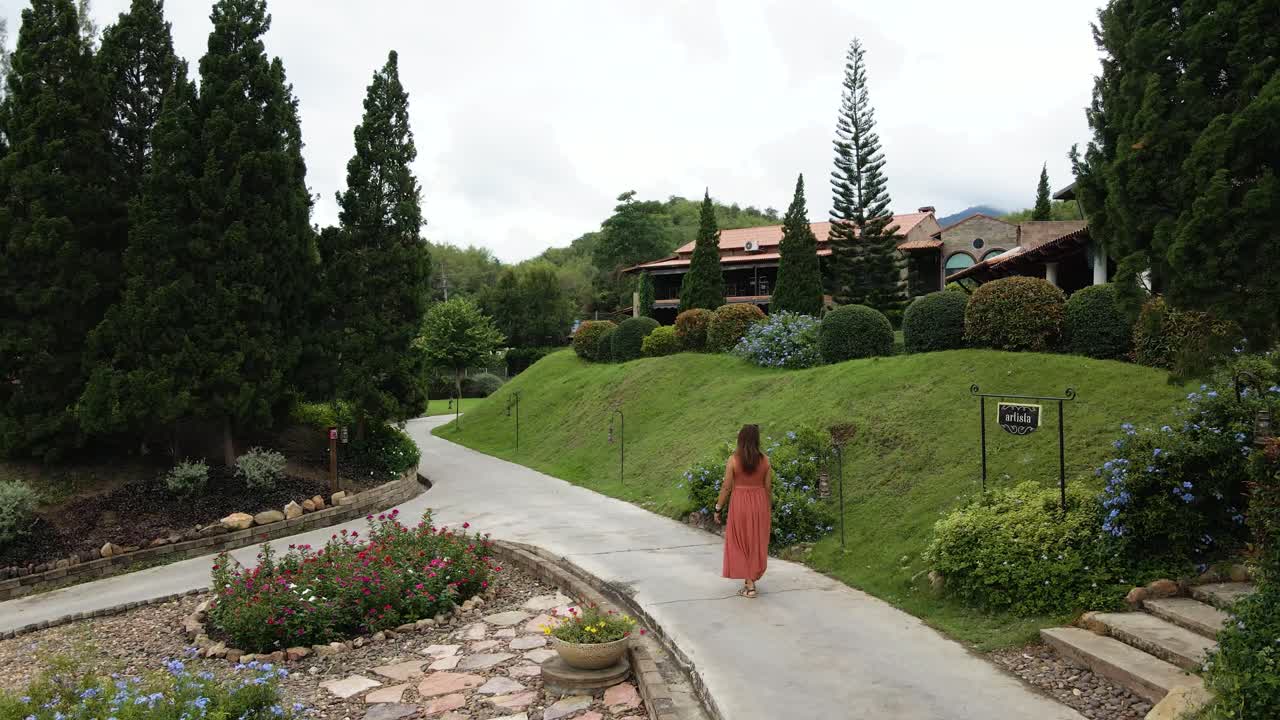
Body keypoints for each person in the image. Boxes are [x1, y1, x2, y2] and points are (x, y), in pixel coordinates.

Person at [713, 424, 771, 598]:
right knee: (755, 542)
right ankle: (750, 580)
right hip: (760, 503)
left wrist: (718, 507)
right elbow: (768, 488)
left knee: (739, 542)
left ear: (741, 439)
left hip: (740, 504)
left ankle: (750, 584)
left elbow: (726, 487)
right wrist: (768, 507)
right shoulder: (766, 460)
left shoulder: (733, 460)